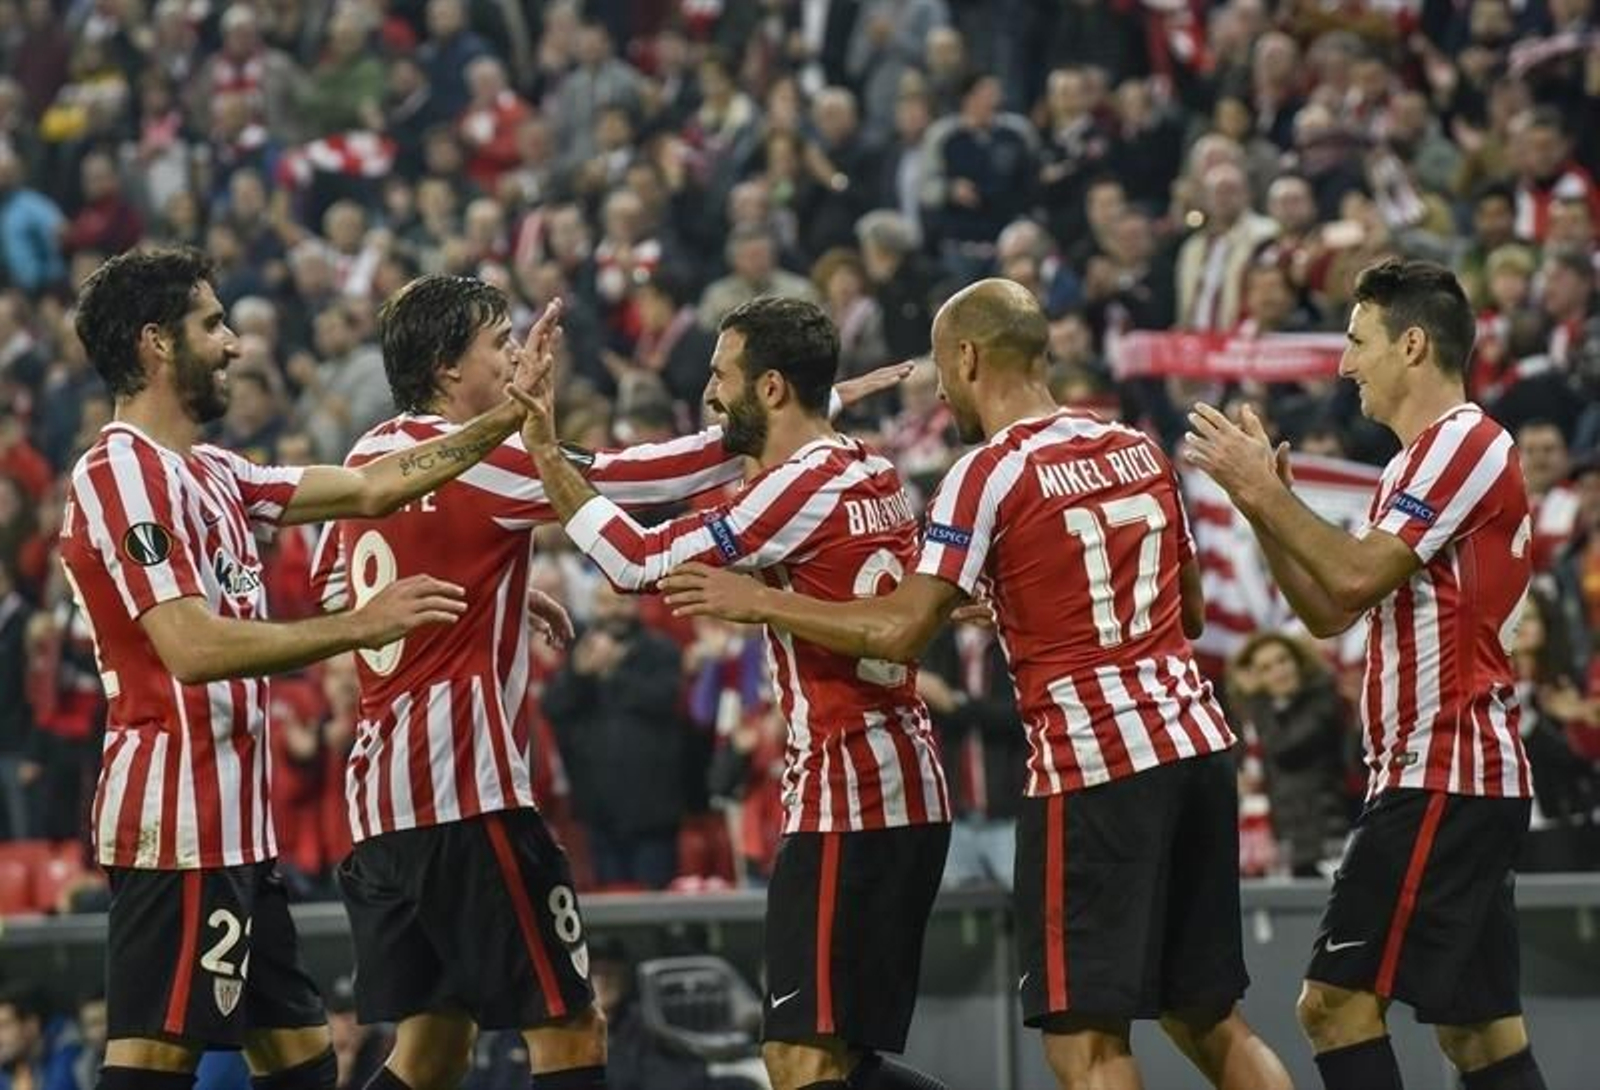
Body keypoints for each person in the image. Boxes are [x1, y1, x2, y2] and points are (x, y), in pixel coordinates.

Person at [655, 280, 1291, 1090]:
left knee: (1084, 1043)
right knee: (1210, 1020)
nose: (943, 391)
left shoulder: (985, 473)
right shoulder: (1137, 445)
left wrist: (760, 599)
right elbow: (1190, 611)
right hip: (1197, 744)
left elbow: (899, 630)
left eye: (944, 370)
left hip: (1093, 765)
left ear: (968, 356)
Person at [309, 279, 913, 1090]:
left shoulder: (368, 457)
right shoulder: (489, 457)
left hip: (378, 807)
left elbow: (338, 587)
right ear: (449, 371)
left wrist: (500, 585)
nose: (520, 357)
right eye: (501, 344)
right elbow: (641, 476)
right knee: (571, 1031)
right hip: (466, 797)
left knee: (428, 1053)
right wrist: (807, 412)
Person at [59, 247, 547, 1090]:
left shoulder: (213, 471)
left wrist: (505, 421)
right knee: (153, 1063)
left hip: (238, 829)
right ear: (155, 343)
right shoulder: (121, 474)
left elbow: (369, 490)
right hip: (177, 825)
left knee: (303, 1063)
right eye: (213, 324)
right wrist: (356, 626)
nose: (235, 345)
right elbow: (193, 647)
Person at [511, 296, 953, 1090]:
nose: (712, 395)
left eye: (722, 377)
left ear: (773, 388)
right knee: (843, 1057)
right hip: (904, 783)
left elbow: (639, 561)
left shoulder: (799, 485)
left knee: (797, 1056)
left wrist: (544, 453)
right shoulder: (869, 467)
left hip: (849, 791)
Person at [1183, 257, 1547, 1090]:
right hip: (1452, 773)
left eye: (1357, 341)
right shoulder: (1419, 461)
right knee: (1478, 1038)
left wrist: (1264, 495)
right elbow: (1329, 613)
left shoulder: (1463, 442)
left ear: (1412, 344)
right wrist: (1260, 507)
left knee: (1333, 1006)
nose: (1344, 365)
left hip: (1442, 769)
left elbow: (1350, 577)